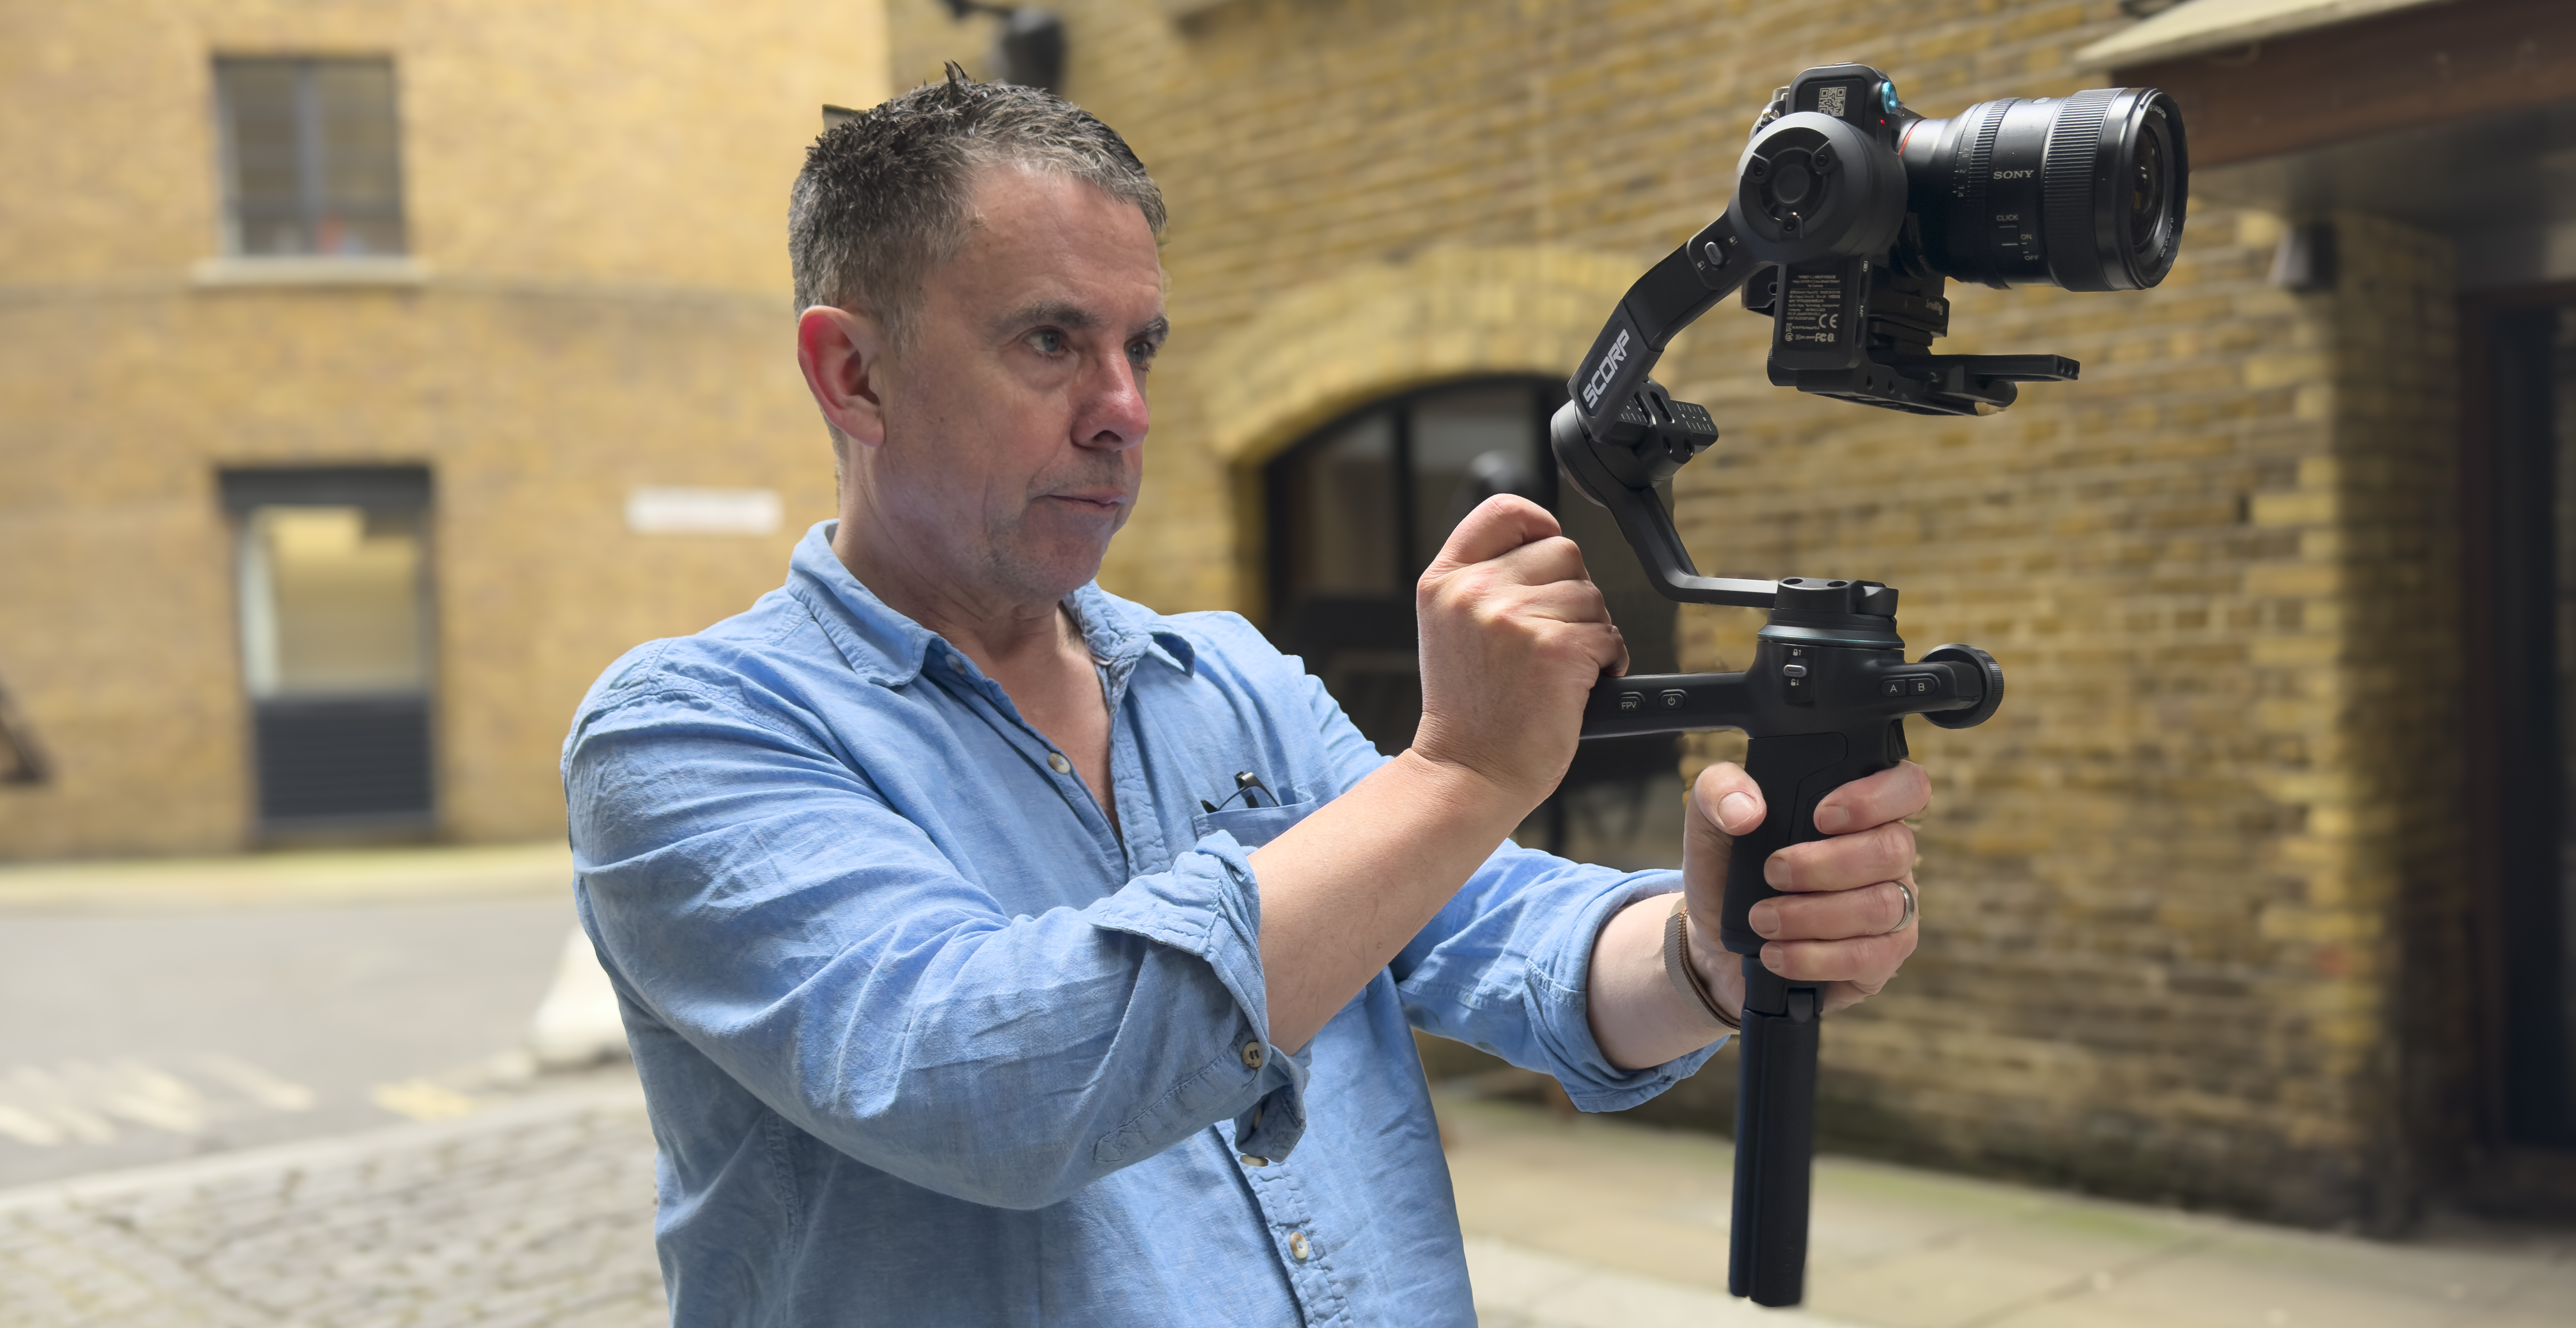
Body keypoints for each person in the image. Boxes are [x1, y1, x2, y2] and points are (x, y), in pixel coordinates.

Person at [560, 73, 1930, 1328]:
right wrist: (1459, 771)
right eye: (1050, 340)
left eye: (1141, 346)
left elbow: (1499, 934)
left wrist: (1708, 953)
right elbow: (996, 1087)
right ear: (853, 374)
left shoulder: (1227, 679)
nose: (1124, 409)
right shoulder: (689, 735)